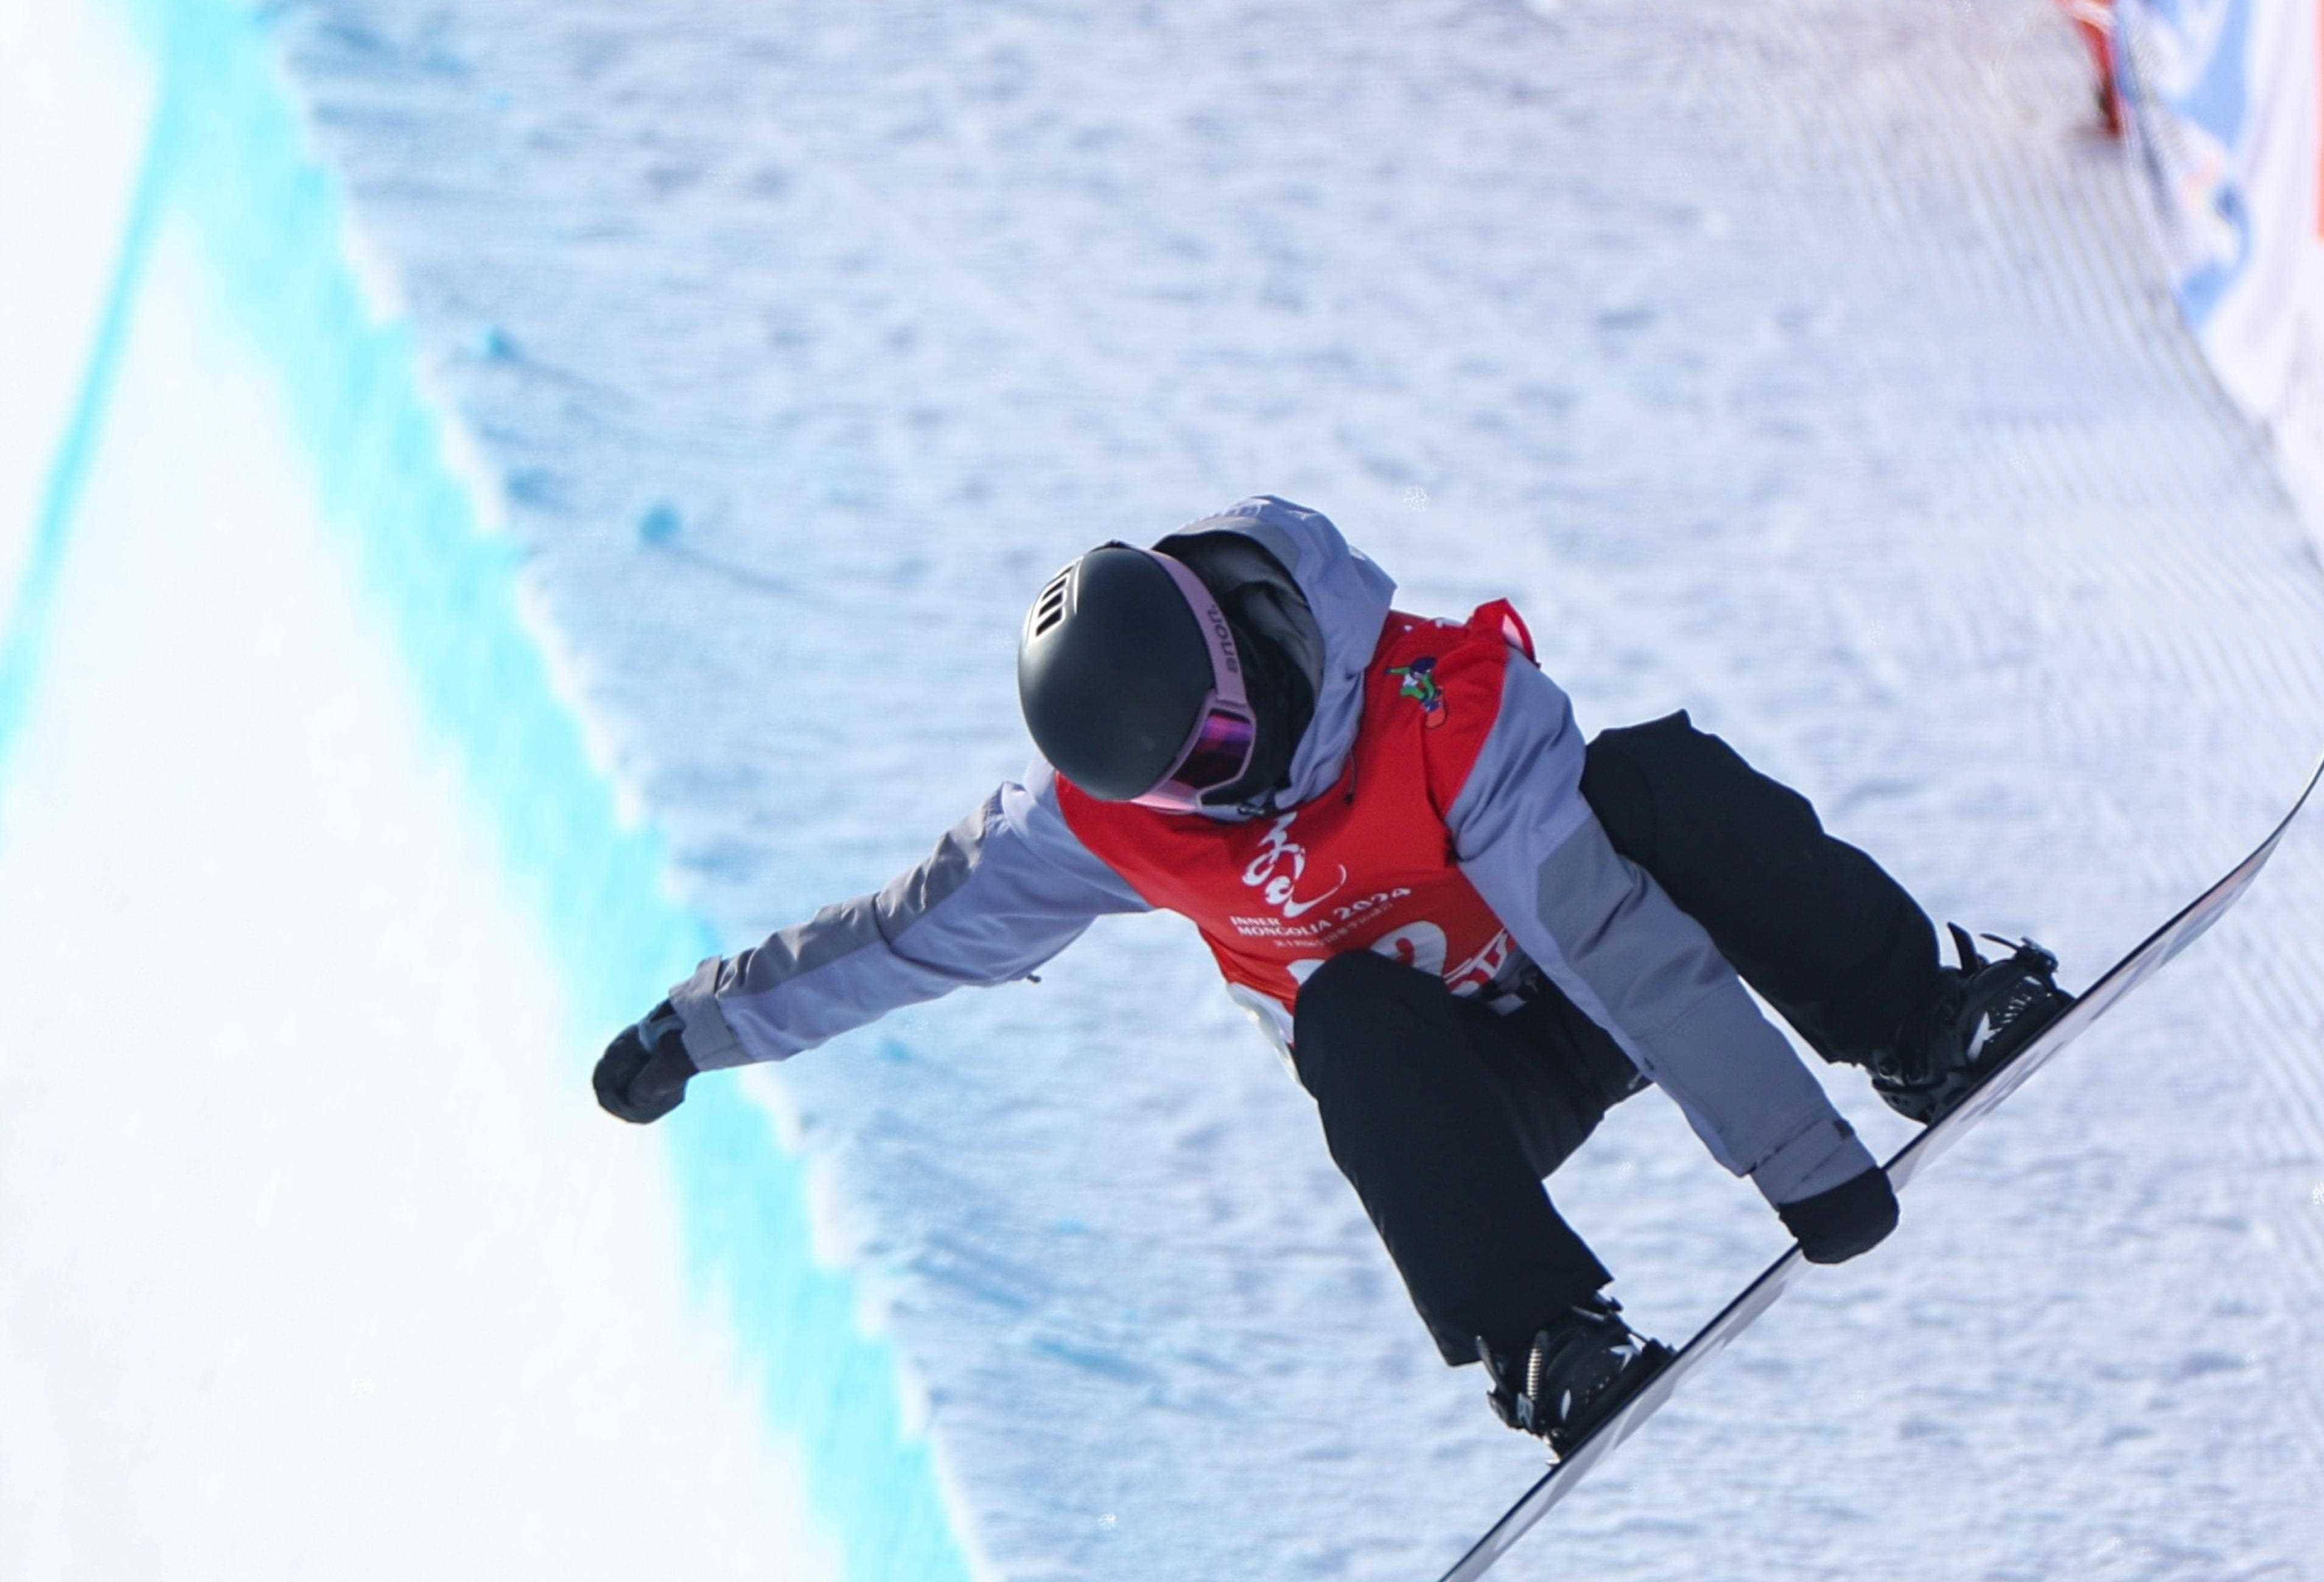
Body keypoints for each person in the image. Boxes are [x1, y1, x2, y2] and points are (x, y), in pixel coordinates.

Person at [594, 497, 2069, 1459]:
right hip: (1476, 1085)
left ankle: (1925, 1017)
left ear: (1247, 667)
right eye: (1184, 793)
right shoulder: (1103, 823)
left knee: (1659, 785)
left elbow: (1610, 937)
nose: (1221, 804)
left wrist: (1806, 1167)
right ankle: (1543, 1334)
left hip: (1594, 959)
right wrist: (699, 1025)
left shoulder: (1439, 702)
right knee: (1343, 1020)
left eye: (1224, 757)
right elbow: (909, 931)